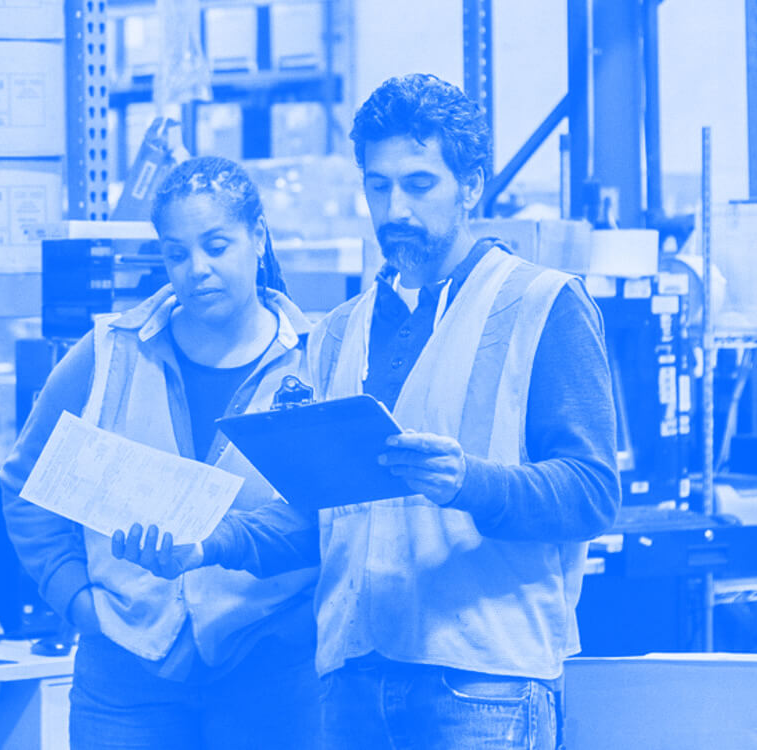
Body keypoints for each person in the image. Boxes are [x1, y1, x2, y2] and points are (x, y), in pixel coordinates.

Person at [116, 74, 622, 749]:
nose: (395, 209)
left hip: (481, 689)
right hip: (351, 683)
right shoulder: (337, 333)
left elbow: (593, 492)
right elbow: (317, 522)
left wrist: (467, 481)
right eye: (378, 187)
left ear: (471, 185)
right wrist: (208, 545)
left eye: (418, 184)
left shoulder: (543, 305)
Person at [0, 155, 321, 750]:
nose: (197, 269)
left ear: (258, 237)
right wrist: (79, 601)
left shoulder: (320, 361)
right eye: (177, 253)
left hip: (272, 674)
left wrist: (302, 627)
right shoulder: (106, 355)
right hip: (124, 680)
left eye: (216, 245)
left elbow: (347, 515)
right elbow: (25, 486)